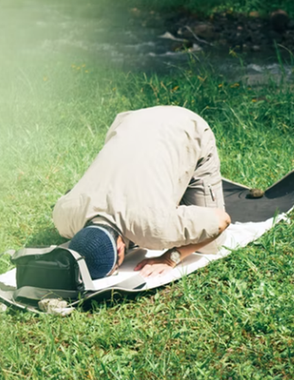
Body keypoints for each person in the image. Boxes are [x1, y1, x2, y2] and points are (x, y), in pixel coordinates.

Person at [52, 106, 231, 279]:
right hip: (130, 121)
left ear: (121, 249)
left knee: (211, 245)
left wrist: (171, 258)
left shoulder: (155, 226)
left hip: (186, 127)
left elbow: (222, 220)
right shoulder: (64, 216)